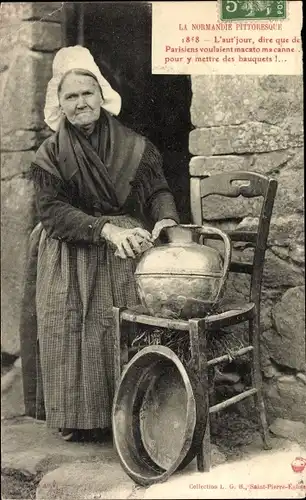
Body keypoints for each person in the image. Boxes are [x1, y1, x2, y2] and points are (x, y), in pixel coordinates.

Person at [19, 46, 180, 442]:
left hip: (122, 251)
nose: (80, 103)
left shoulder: (133, 145)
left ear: (102, 94)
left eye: (86, 93)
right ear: (60, 104)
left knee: (121, 323)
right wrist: (105, 230)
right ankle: (78, 417)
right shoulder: (50, 154)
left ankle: (128, 413)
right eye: (70, 97)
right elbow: (52, 212)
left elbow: (156, 189)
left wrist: (165, 218)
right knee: (70, 324)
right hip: (69, 246)